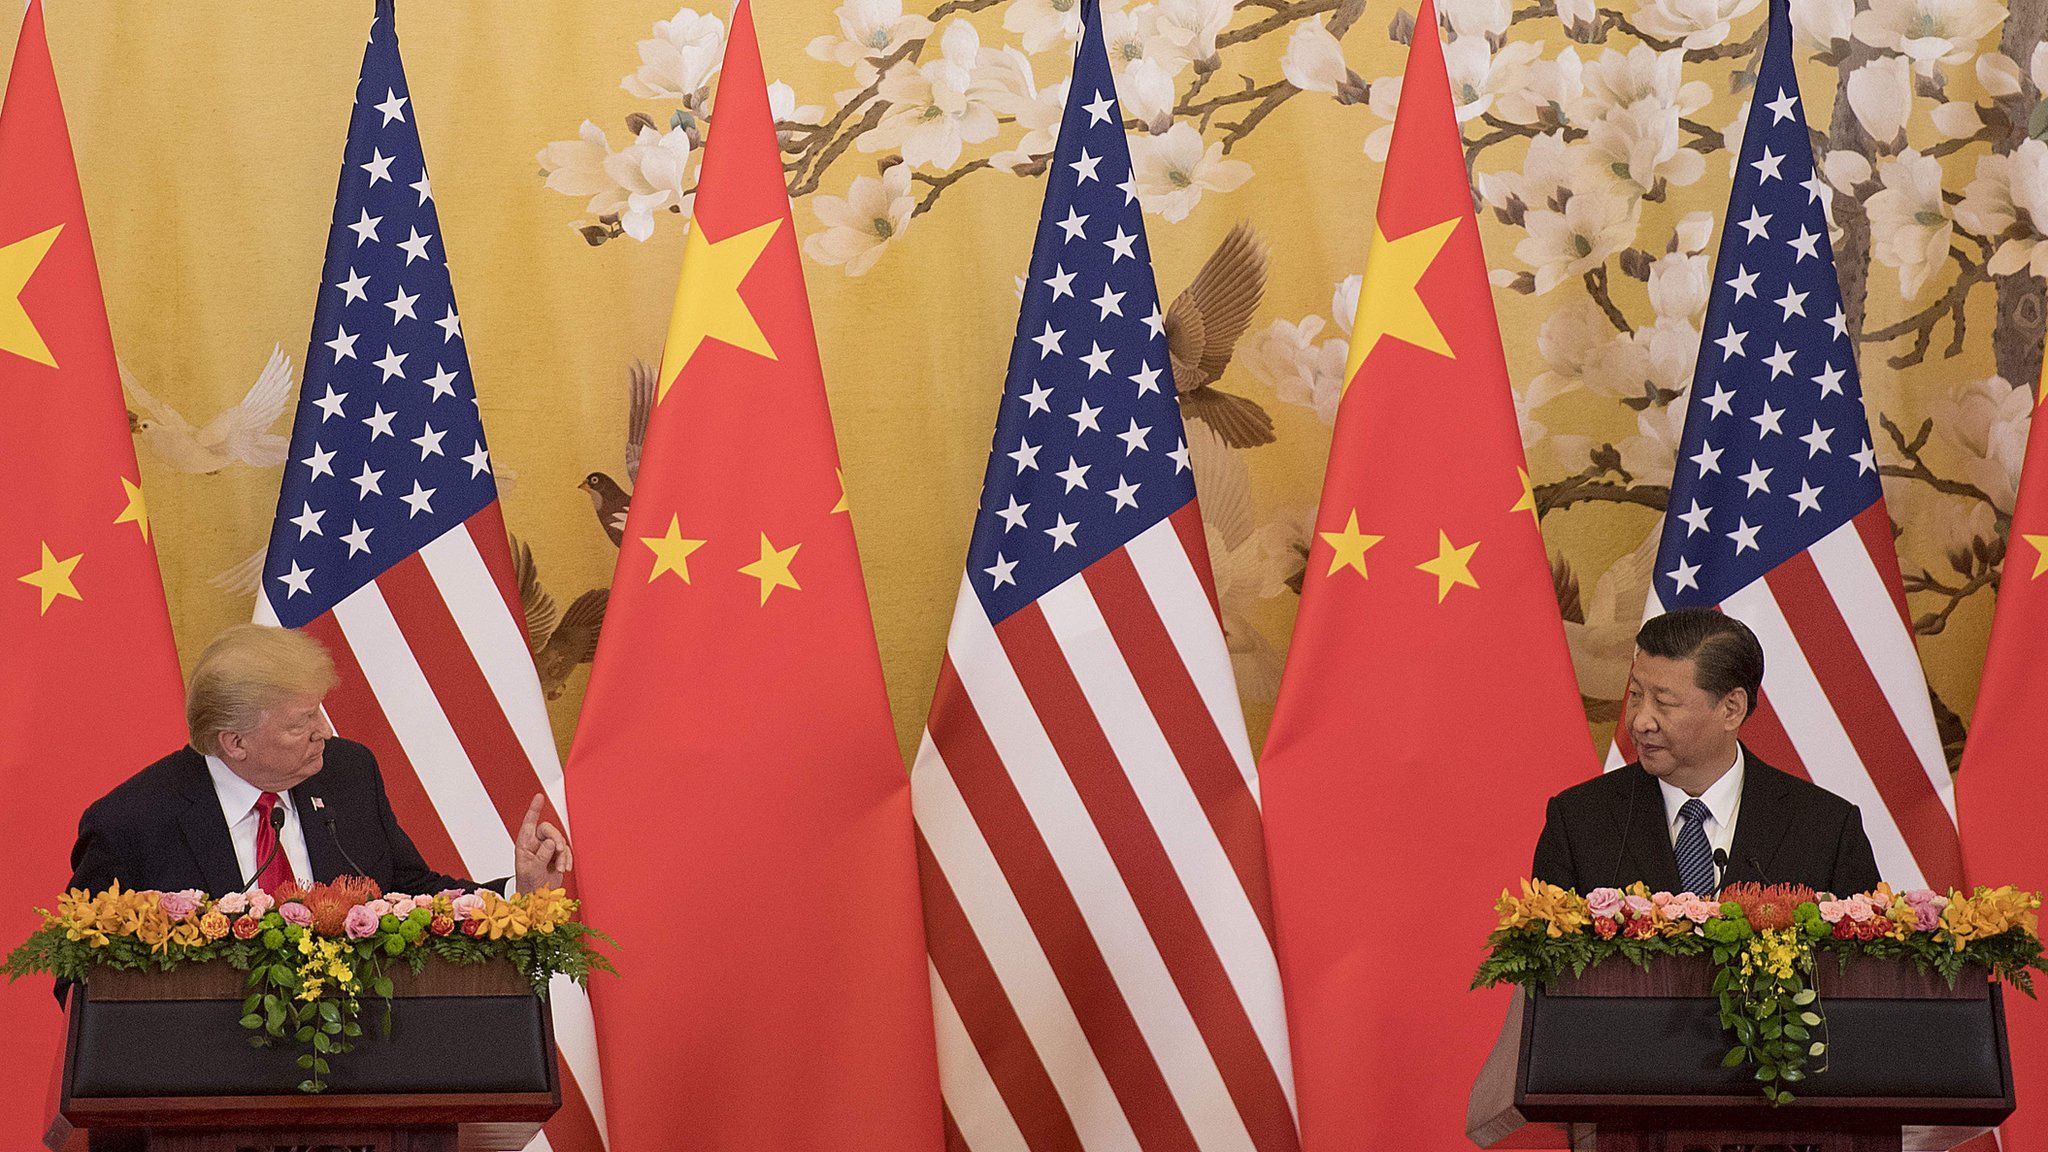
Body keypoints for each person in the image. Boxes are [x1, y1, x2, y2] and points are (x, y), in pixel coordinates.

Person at [67, 623, 571, 901]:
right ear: (234, 743)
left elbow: (410, 894)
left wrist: (518, 891)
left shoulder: (348, 773)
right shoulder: (130, 824)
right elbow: (84, 976)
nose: (323, 734)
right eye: (299, 723)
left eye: (319, 714)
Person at [1532, 607, 1881, 897]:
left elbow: (1863, 975)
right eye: (1635, 695)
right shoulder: (1578, 822)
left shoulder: (1825, 828)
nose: (1640, 721)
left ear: (1731, 708)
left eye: (1664, 702)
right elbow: (1547, 973)